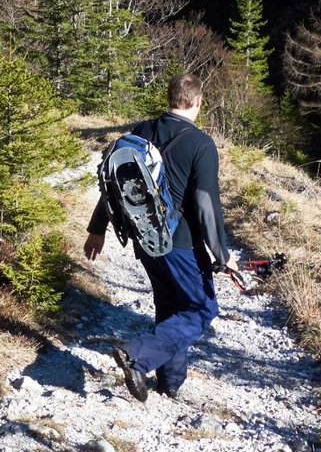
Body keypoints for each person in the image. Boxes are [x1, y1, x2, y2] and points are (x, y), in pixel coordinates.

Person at [84, 73, 236, 402]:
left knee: (170, 307)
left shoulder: (141, 132)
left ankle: (171, 383)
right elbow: (206, 203)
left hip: (144, 239)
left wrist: (97, 229)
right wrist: (223, 254)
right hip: (180, 243)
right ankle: (137, 354)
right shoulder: (201, 144)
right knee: (199, 310)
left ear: (170, 98)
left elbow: (113, 186)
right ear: (198, 102)